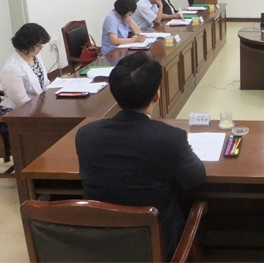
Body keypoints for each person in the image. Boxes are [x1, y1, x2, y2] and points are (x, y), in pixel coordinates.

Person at [75, 52, 206, 261]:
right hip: (157, 246)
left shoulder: (86, 135)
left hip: (101, 245)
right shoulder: (170, 138)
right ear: (157, 95)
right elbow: (194, 179)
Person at [0, 24, 51, 150]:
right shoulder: (12, 69)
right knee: (52, 130)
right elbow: (23, 103)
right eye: (38, 45)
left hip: (37, 107)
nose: (41, 48)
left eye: (42, 45)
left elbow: (45, 83)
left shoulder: (36, 57)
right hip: (17, 115)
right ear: (27, 44)